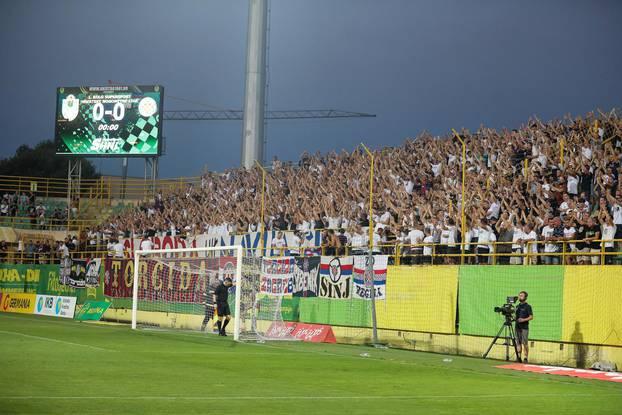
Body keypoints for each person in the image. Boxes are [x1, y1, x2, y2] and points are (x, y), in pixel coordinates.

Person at [515, 291, 533, 363]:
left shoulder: (528, 306)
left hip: (524, 327)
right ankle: (519, 357)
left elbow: (531, 317)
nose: (520, 297)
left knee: (524, 343)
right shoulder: (517, 307)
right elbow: (515, 317)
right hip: (517, 327)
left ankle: (525, 358)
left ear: (525, 297)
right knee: (518, 343)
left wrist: (523, 320)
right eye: (519, 295)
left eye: (522, 296)